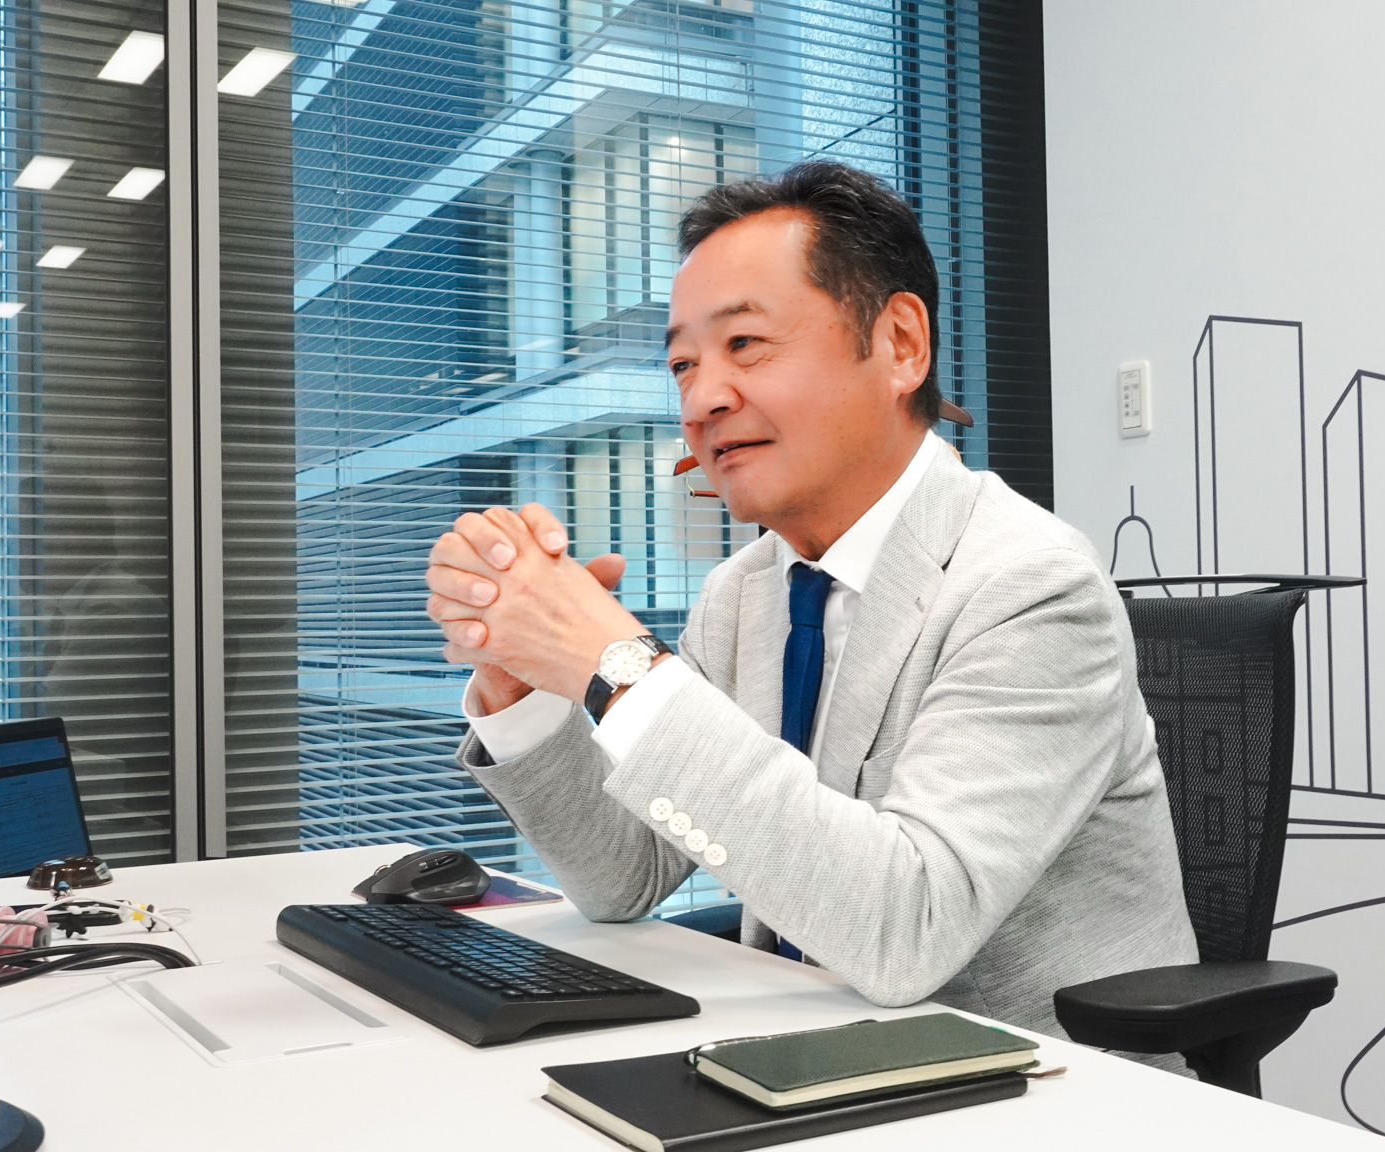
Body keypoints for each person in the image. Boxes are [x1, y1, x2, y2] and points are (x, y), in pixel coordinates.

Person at [423, 160, 1196, 1058]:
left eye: (745, 343)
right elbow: (623, 876)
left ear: (900, 344)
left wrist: (620, 667)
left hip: (1034, 1081)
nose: (703, 398)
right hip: (808, 1055)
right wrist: (518, 682)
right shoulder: (743, 593)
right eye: (683, 364)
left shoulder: (1031, 583)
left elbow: (907, 926)